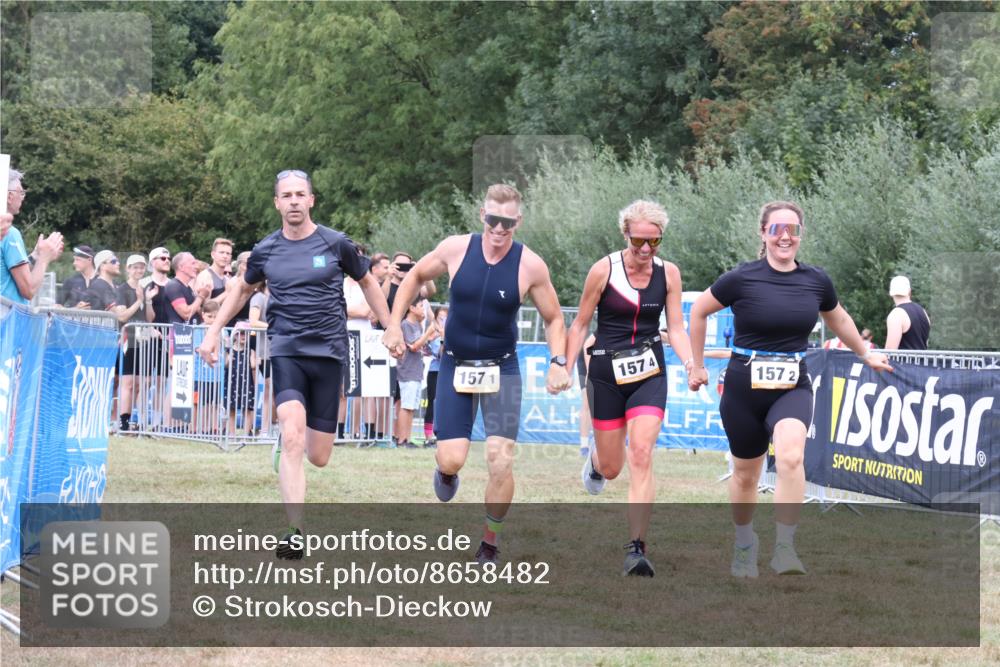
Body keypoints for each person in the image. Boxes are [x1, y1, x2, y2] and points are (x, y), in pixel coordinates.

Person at [688, 201, 893, 578]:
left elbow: (840, 318)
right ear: (763, 234)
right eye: (777, 228)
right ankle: (745, 544)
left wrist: (866, 354)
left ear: (800, 235)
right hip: (743, 387)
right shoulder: (740, 278)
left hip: (792, 385)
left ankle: (785, 547)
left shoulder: (816, 280)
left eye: (793, 229)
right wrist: (697, 364)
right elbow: (698, 311)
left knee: (791, 458)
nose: (785, 236)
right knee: (746, 475)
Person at [197, 169, 395, 560]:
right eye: (285, 195)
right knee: (292, 433)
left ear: (311, 200)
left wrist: (390, 327)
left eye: (299, 195)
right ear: (276, 203)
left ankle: (293, 446)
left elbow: (369, 282)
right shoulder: (266, 250)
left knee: (318, 456)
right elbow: (241, 289)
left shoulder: (337, 244)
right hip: (286, 349)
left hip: (330, 353)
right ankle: (294, 531)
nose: (292, 201)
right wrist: (213, 332)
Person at [383, 183, 571, 565]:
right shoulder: (456, 248)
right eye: (492, 220)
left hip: (502, 367)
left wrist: (558, 362)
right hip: (455, 364)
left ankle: (489, 542)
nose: (499, 229)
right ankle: (445, 471)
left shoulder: (530, 265)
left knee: (501, 460)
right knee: (453, 459)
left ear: (518, 221)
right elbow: (415, 277)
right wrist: (392, 323)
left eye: (507, 222)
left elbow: (553, 319)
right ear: (481, 216)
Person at [565, 200, 695, 577]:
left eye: (653, 242)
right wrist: (564, 364)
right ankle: (594, 461)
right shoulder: (603, 270)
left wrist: (690, 364)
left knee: (641, 451)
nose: (644, 250)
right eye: (638, 240)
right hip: (605, 371)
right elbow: (580, 325)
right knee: (612, 467)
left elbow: (678, 327)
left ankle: (637, 547)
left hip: (649, 373)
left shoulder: (668, 273)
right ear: (625, 234)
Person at [1, 169, 63, 304]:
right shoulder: (9, 233)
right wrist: (44, 258)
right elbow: (28, 290)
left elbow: (12, 274)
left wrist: (35, 256)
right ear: (9, 196)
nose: (23, 197)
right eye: (21, 192)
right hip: (7, 320)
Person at [395, 296, 429, 449]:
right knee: (406, 406)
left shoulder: (418, 326)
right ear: (412, 308)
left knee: (412, 407)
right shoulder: (406, 325)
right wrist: (428, 334)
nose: (423, 309)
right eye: (421, 306)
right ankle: (402, 440)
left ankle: (408, 438)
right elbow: (414, 346)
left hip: (417, 370)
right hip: (407, 370)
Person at [884, 275, 930, 350]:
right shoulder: (923, 311)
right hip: (923, 361)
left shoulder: (896, 314)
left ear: (890, 293)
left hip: (903, 362)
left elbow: (890, 351)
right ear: (909, 291)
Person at [164, 252, 210, 324]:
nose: (196, 267)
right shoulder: (173, 286)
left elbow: (199, 312)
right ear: (181, 267)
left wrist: (204, 295)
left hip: (191, 333)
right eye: (193, 263)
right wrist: (201, 296)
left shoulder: (189, 288)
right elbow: (186, 314)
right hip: (179, 334)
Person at [195, 238, 233, 307]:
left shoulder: (227, 279)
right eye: (221, 252)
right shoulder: (205, 276)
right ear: (213, 254)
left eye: (228, 253)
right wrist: (226, 293)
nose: (225, 256)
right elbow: (205, 307)